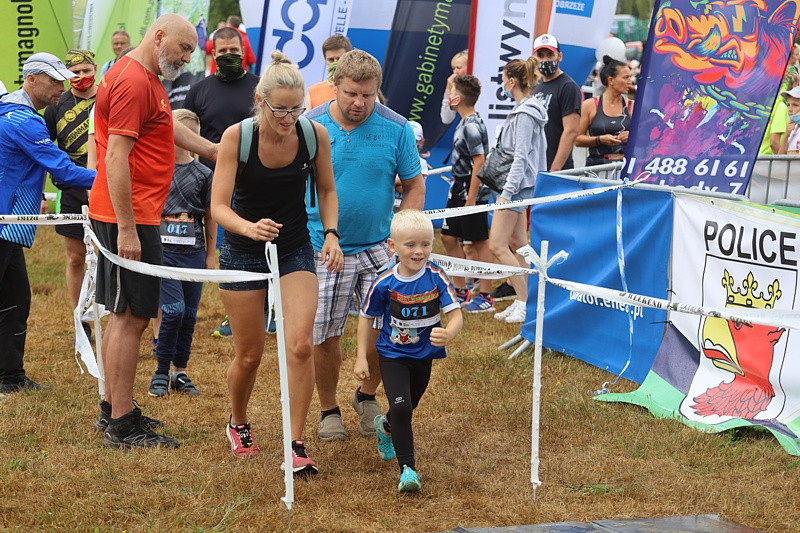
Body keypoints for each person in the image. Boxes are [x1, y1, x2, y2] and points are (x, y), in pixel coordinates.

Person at [211, 51, 342, 471]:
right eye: (280, 110)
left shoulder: (314, 135)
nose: (289, 118)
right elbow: (218, 206)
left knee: (300, 344)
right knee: (250, 354)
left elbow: (327, 189)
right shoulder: (237, 137)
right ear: (260, 101)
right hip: (242, 248)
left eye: (296, 109)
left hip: (294, 246)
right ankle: (238, 421)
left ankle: (296, 443)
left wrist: (332, 233)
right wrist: (248, 228)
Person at [89, 13, 215, 449]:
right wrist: (128, 229)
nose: (186, 59)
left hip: (130, 213)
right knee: (133, 317)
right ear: (159, 37)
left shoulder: (144, 76)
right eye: (184, 49)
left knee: (123, 313)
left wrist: (211, 149)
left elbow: (165, 125)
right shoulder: (134, 81)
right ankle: (122, 423)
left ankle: (113, 407)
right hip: (131, 216)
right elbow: (115, 158)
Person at [306, 49, 425, 441]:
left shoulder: (397, 127)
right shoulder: (310, 125)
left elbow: (414, 185)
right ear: (334, 85)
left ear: (378, 91)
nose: (359, 103)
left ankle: (366, 394)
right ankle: (328, 410)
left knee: (387, 329)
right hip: (323, 246)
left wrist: (401, 236)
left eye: (368, 95)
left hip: (380, 247)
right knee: (325, 335)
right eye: (351, 93)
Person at [0, 52, 96, 392]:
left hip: (9, 224)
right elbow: (64, 170)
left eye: (62, 80)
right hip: (4, 222)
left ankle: (10, 378)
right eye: (55, 80)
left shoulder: (15, 113)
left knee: (16, 299)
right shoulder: (22, 120)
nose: (62, 87)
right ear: (31, 79)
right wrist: (113, 181)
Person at [354, 209, 463, 493]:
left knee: (408, 406)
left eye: (425, 244)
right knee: (402, 407)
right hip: (392, 355)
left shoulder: (437, 276)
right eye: (411, 245)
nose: (419, 251)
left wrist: (448, 333)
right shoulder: (384, 282)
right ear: (392, 246)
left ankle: (386, 427)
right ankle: (408, 470)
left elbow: (456, 314)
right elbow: (366, 317)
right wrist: (361, 356)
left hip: (424, 356)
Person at [147, 109, 216, 398]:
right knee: (173, 310)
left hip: (193, 255)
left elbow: (210, 215)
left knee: (188, 314)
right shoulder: (157, 169)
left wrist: (210, 256)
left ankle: (180, 372)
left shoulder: (204, 174)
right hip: (164, 255)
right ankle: (161, 371)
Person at [43, 49, 98, 343]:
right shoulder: (56, 106)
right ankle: (80, 320)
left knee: (111, 255)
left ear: (96, 69)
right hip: (73, 189)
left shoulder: (110, 98)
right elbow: (40, 149)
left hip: (107, 184)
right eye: (75, 73)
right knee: (76, 258)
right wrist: (41, 193)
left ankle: (115, 314)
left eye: (86, 71)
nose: (81, 77)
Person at [490, 57, 548, 325]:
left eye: (503, 79)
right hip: (519, 186)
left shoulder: (525, 113)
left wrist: (506, 192)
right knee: (519, 245)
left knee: (497, 245)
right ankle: (526, 299)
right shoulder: (525, 110)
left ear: (512, 81)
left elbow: (521, 158)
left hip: (516, 188)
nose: (502, 84)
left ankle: (525, 301)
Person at [439, 74, 495, 313]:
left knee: (480, 241)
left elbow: (479, 161)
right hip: (459, 190)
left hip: (470, 192)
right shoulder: (465, 121)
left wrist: (471, 198)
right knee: (448, 237)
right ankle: (461, 290)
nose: (448, 96)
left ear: (458, 99)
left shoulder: (471, 125)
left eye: (451, 92)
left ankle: (486, 296)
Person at [184, 26, 260, 170]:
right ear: (214, 54)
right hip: (210, 174)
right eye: (223, 51)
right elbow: (185, 135)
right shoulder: (198, 91)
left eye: (234, 50)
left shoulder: (261, 88)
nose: (228, 54)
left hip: (251, 174)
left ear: (243, 52)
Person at [531, 34, 581, 171]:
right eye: (540, 55)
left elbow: (571, 131)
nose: (545, 60)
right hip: (535, 167)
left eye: (550, 55)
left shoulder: (567, 86)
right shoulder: (536, 86)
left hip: (556, 171)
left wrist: (554, 171)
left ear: (560, 56)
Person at [575, 56, 632, 167]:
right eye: (626, 78)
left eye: (630, 77)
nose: (630, 82)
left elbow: (647, 138)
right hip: (596, 169)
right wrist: (599, 140)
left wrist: (632, 136)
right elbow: (577, 140)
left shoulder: (632, 106)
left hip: (624, 169)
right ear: (611, 80)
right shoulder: (590, 105)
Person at [305, 34, 352, 110]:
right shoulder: (313, 92)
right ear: (325, 59)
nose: (335, 63)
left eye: (339, 59)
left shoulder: (359, 89)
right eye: (331, 60)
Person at [440, 50, 468, 125]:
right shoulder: (457, 88)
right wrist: (449, 89)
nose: (455, 72)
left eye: (458, 68)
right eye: (453, 68)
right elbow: (446, 119)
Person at [778, 86, 800, 154]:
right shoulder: (793, 129)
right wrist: (786, 136)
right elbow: (779, 158)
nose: (790, 109)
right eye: (788, 105)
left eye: (795, 105)